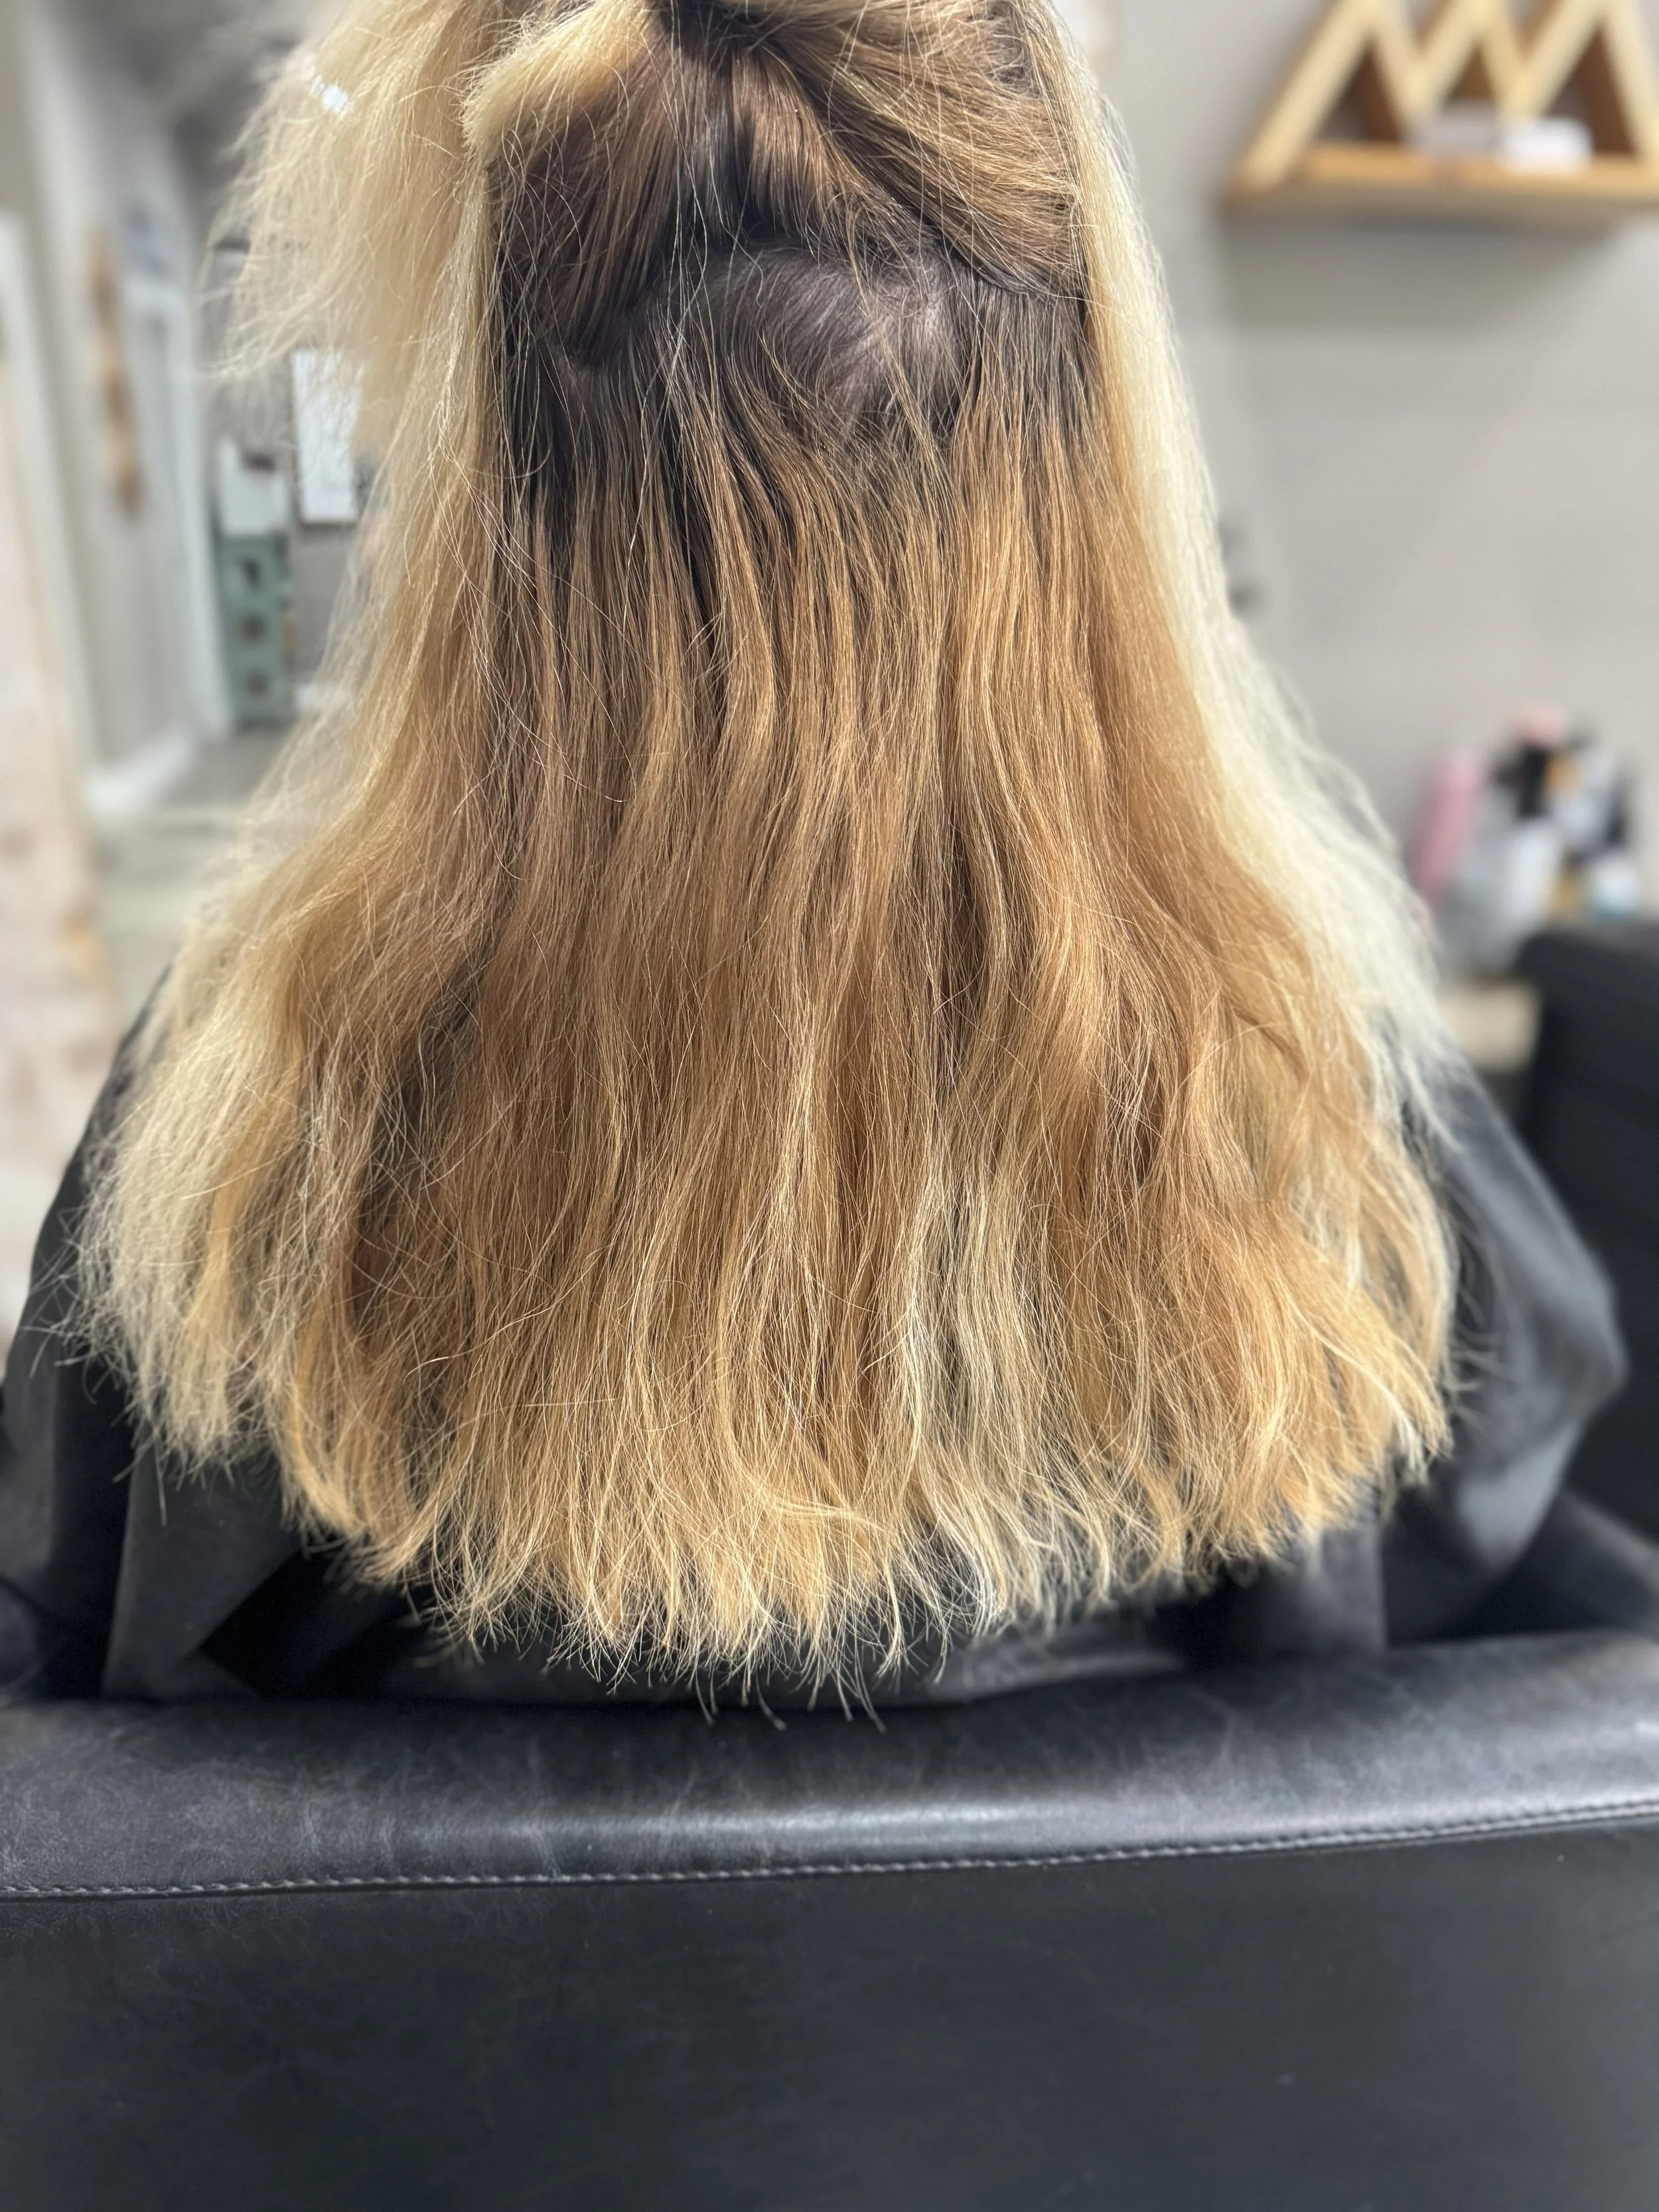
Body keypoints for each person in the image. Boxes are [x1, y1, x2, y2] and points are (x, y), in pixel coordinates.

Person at [0, 0, 1621, 1706]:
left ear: (482, 525)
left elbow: (84, 1721)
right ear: (1103, 496)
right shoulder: (1317, 1093)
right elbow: (1507, 1705)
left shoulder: (248, 1122)